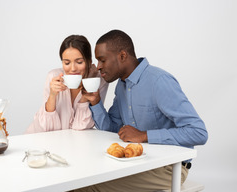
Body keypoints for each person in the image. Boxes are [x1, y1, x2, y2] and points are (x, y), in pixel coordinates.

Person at [78, 30, 208, 192]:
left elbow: (199, 132)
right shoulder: (122, 86)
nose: (99, 67)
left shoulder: (159, 81)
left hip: (169, 169)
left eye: (102, 60)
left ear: (123, 56)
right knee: (79, 175)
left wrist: (144, 135)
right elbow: (113, 130)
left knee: (86, 186)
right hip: (137, 163)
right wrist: (96, 102)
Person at [26, 35, 108, 133]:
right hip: (36, 138)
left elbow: (81, 126)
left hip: (68, 143)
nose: (73, 69)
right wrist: (52, 95)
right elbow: (47, 127)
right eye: (67, 63)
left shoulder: (97, 81)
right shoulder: (53, 76)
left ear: (89, 62)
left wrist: (84, 98)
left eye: (79, 62)